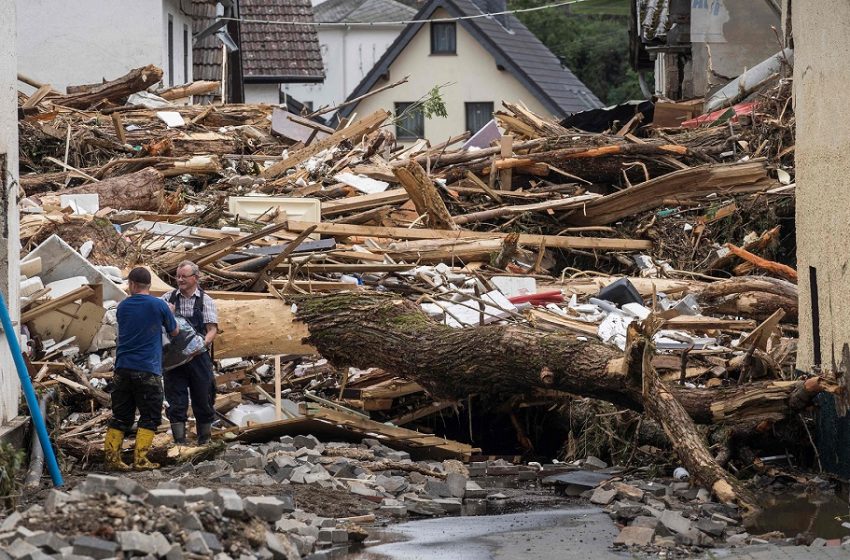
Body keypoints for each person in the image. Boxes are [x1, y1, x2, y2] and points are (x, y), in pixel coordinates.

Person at [105, 267, 178, 471]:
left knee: (121, 416)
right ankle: (141, 459)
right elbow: (174, 331)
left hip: (122, 368)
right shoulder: (160, 305)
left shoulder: (122, 306)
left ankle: (112, 459)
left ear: (132, 284)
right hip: (147, 369)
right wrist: (169, 313)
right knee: (150, 415)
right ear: (148, 285)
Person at [161, 260, 219, 444]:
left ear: (195, 278)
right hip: (173, 360)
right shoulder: (167, 299)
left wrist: (201, 344)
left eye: (183, 276)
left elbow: (212, 330)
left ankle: (205, 440)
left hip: (198, 358)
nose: (179, 280)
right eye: (177, 276)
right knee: (175, 399)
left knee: (203, 397)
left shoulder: (205, 301)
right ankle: (179, 442)